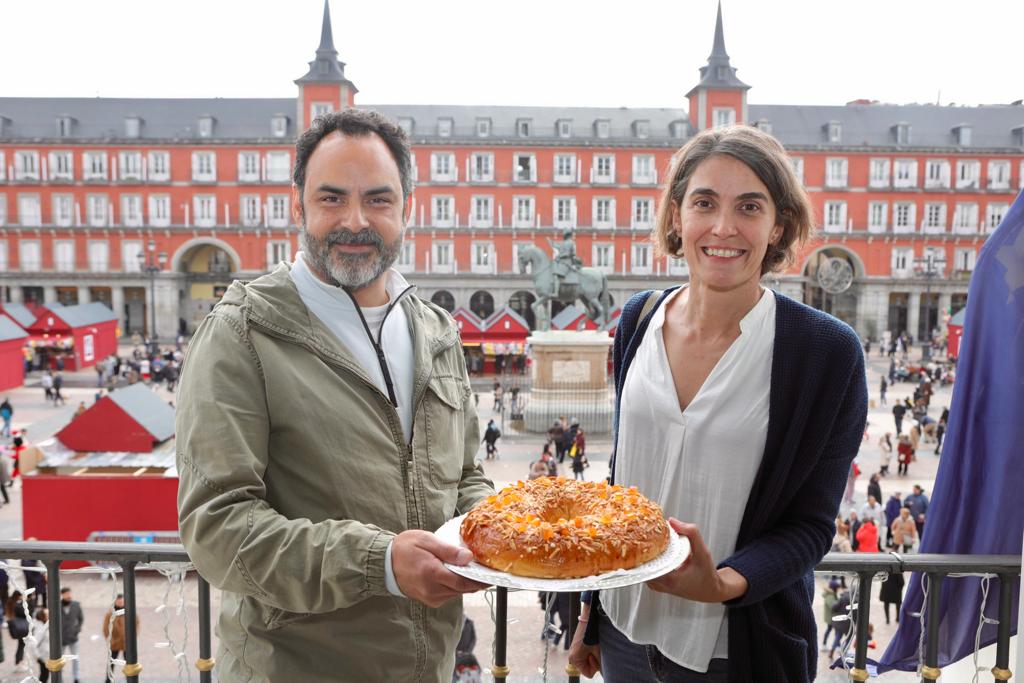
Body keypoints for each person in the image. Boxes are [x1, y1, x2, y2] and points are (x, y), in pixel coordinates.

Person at [176, 109, 493, 682]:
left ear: (406, 210)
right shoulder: (242, 333)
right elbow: (216, 528)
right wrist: (381, 564)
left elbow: (466, 474)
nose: (355, 221)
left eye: (377, 199)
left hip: (432, 668)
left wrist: (495, 533)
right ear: (297, 206)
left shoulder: (437, 331)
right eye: (331, 199)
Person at [569, 125, 867, 682]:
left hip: (736, 649)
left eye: (749, 207)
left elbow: (810, 525)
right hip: (623, 632)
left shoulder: (825, 353)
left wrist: (722, 583)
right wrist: (589, 610)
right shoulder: (637, 319)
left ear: (778, 224)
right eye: (704, 203)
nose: (723, 228)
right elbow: (622, 484)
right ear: (678, 216)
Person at [103, 594, 139, 683]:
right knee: (111, 662)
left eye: (122, 601)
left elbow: (136, 625)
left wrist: (132, 639)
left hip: (127, 643)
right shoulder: (110, 614)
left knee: (129, 663)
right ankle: (108, 679)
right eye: (119, 601)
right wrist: (110, 640)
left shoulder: (130, 612)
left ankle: (130, 679)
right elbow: (105, 628)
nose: (120, 602)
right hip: (114, 642)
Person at [58, 587, 83, 683]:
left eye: (70, 593)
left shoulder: (76, 605)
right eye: (66, 594)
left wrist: (77, 629)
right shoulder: (57, 605)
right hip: (61, 638)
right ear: (62, 595)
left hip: (73, 637)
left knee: (76, 658)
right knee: (59, 659)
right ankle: (59, 677)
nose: (69, 595)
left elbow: (81, 619)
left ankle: (77, 677)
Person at [7, 590, 29, 671]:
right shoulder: (18, 605)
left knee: (21, 645)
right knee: (21, 646)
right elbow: (25, 614)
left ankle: (20, 661)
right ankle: (19, 662)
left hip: (17, 627)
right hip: (21, 628)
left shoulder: (11, 602)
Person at [29, 607, 49, 683]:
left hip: (44, 654)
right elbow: (34, 643)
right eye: (47, 614)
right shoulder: (40, 629)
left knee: (44, 674)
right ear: (43, 617)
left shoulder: (43, 625)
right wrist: (37, 656)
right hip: (42, 656)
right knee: (44, 675)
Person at [821, 579, 840, 648]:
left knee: (835, 631)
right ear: (834, 588)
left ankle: (837, 645)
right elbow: (833, 606)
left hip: (832, 617)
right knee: (835, 631)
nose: (838, 589)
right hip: (831, 618)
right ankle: (825, 644)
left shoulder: (832, 594)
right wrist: (840, 603)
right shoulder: (830, 596)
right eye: (837, 588)